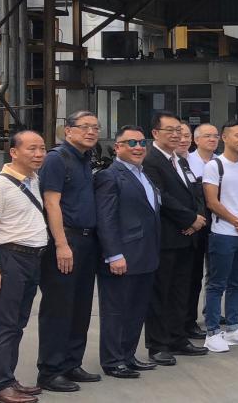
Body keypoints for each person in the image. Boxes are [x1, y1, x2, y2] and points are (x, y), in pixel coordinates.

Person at [36, 111, 102, 393]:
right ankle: (50, 371)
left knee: (80, 306)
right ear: (68, 131)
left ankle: (71, 363)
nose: (91, 131)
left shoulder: (86, 159)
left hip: (87, 241)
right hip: (66, 241)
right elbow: (51, 203)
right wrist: (61, 244)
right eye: (84, 127)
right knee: (59, 307)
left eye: (95, 127)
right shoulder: (56, 158)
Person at [0, 131, 49, 403]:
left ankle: (8, 379)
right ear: (14, 152)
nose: (39, 154)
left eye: (42, 148)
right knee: (4, 325)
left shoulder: (33, 179)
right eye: (32, 149)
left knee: (17, 323)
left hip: (32, 259)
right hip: (11, 259)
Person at [140, 112, 208, 366]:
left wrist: (198, 217)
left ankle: (178, 338)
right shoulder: (151, 160)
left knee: (182, 290)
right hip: (167, 238)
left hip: (188, 237)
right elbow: (161, 196)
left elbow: (195, 191)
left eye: (178, 130)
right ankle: (158, 345)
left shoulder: (180, 160)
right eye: (170, 130)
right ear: (155, 133)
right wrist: (189, 219)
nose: (176, 135)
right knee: (161, 293)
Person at [94, 126, 161, 379]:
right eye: (131, 143)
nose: (138, 147)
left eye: (142, 142)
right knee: (116, 311)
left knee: (136, 309)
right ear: (117, 147)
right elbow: (106, 219)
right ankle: (113, 360)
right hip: (122, 256)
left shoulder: (143, 175)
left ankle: (128, 355)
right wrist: (114, 254)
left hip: (145, 255)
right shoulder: (109, 176)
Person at [200, 121, 238, 352]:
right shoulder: (215, 166)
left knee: (237, 283)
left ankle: (234, 329)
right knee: (217, 284)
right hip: (223, 234)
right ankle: (212, 332)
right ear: (224, 138)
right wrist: (237, 221)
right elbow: (212, 201)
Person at [184, 123, 219, 339]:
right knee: (193, 275)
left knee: (215, 273)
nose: (212, 139)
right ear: (196, 140)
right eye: (207, 136)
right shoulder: (186, 161)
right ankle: (188, 319)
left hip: (219, 224)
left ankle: (212, 314)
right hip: (195, 225)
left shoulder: (222, 162)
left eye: (215, 136)